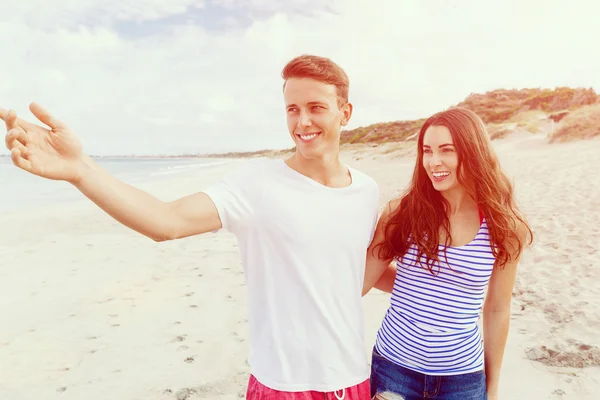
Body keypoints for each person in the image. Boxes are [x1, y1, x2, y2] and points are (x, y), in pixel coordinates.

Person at [2, 54, 379, 399]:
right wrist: (80, 170)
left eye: (316, 108)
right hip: (282, 384)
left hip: (351, 377)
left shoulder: (366, 191)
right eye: (292, 109)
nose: (303, 122)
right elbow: (167, 222)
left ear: (345, 113)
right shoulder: (258, 183)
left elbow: (354, 275)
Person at [362, 107, 533, 400]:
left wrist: (491, 388)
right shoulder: (402, 214)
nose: (433, 161)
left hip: (462, 380)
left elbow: (496, 309)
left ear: (474, 152)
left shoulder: (504, 227)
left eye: (446, 150)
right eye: (427, 151)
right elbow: (363, 279)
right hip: (395, 370)